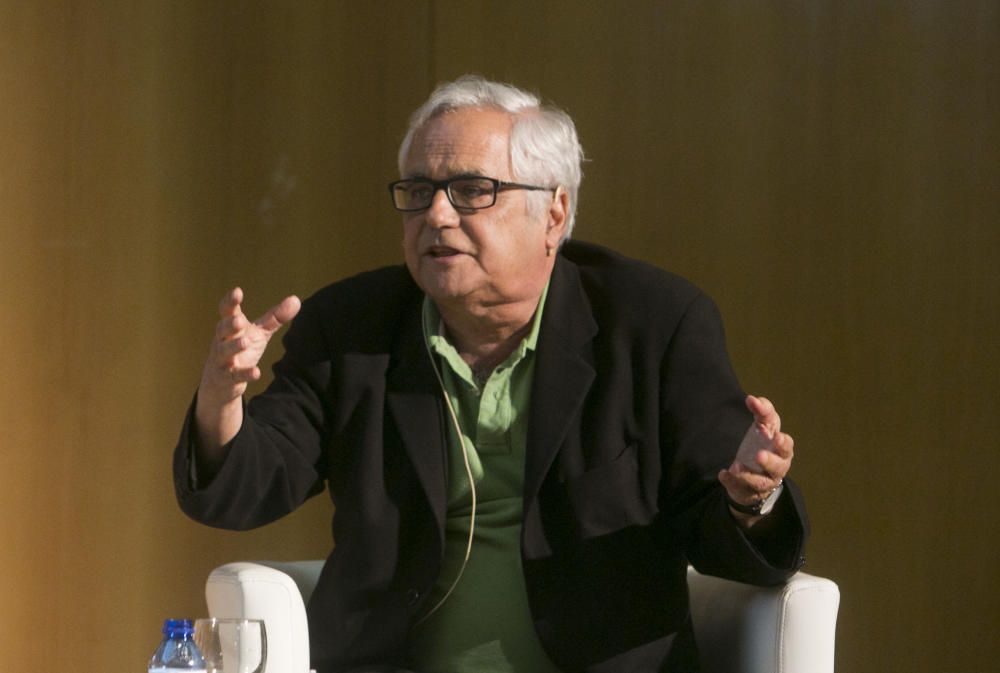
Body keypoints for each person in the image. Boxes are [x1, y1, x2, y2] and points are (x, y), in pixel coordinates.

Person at [174, 75, 808, 673]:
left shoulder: (653, 325)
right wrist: (220, 403)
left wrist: (753, 498)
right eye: (417, 192)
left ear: (554, 214)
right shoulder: (352, 327)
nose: (437, 216)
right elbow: (247, 490)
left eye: (473, 190)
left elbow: (723, 532)